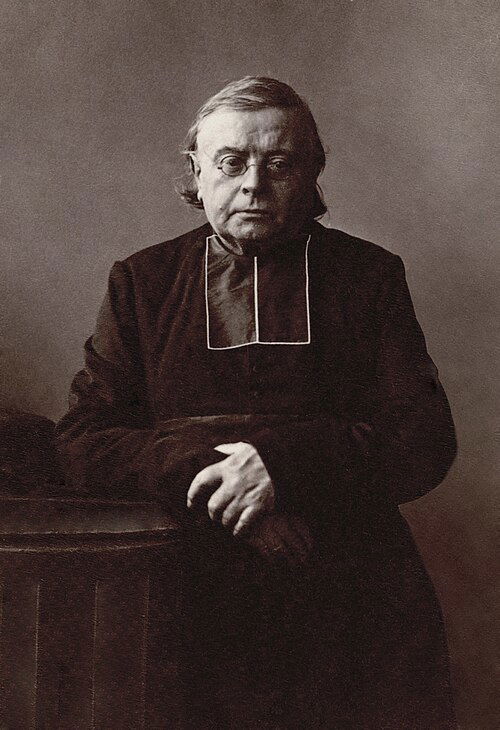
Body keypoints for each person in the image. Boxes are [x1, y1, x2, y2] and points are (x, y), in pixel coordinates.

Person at [56, 77, 458, 728]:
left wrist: (284, 467)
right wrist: (225, 484)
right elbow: (83, 441)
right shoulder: (144, 281)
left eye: (279, 164)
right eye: (231, 161)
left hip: (352, 595)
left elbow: (424, 438)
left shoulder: (368, 277)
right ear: (196, 171)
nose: (253, 185)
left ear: (313, 171)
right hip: (186, 597)